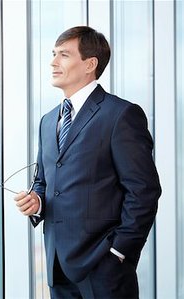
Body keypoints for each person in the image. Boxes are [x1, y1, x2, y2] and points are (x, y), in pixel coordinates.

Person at [14, 26, 161, 299]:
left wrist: (120, 252)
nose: (53, 62)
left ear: (90, 64)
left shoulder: (120, 115)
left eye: (64, 55)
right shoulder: (48, 121)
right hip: (58, 264)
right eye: (53, 54)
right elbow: (44, 182)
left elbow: (144, 191)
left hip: (104, 267)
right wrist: (37, 201)